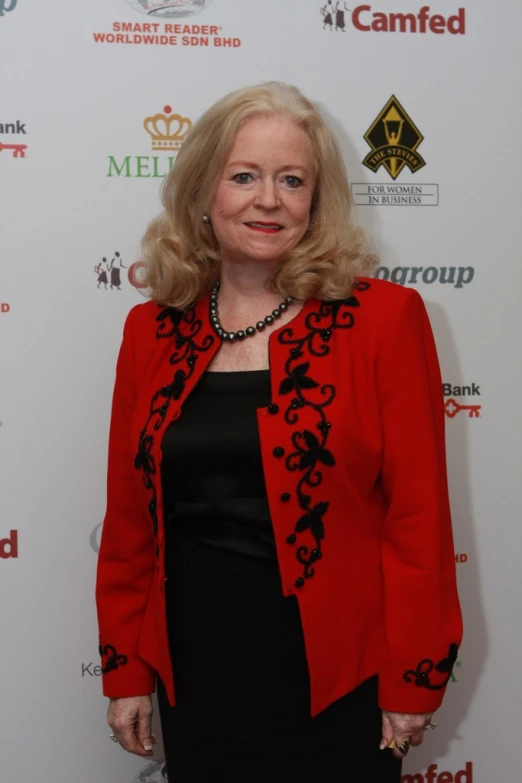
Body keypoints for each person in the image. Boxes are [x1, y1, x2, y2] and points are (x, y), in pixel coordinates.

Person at [96, 82, 463, 782]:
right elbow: (128, 527)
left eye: (292, 180)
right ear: (203, 191)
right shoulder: (152, 329)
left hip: (338, 683)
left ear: (315, 201)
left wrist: (413, 681)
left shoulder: (385, 320)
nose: (269, 199)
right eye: (245, 176)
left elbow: (419, 525)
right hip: (196, 679)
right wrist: (125, 667)